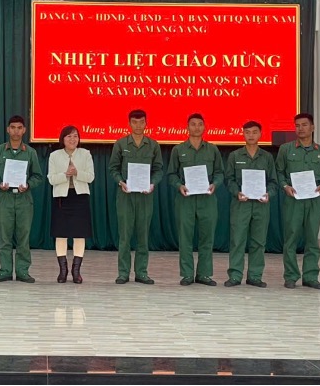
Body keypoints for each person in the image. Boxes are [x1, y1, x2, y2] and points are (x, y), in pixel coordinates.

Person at [276, 113, 320, 290]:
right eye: (297, 125)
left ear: (312, 127)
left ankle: (311, 276)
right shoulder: (286, 149)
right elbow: (279, 173)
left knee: (312, 239)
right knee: (291, 239)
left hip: (314, 200)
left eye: (304, 125)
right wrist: (285, 186)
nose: (300, 128)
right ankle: (291, 276)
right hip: (293, 199)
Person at [167, 113, 224, 286]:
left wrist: (215, 184)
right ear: (187, 127)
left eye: (200, 124)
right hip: (185, 199)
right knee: (185, 238)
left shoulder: (212, 149)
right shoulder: (178, 150)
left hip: (207, 199)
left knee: (207, 237)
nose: (197, 127)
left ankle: (204, 274)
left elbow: (219, 173)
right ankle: (187, 275)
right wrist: (179, 186)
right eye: (193, 124)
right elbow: (171, 174)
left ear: (204, 127)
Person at [108, 109, 164, 285]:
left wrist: (153, 183)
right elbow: (113, 168)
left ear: (146, 123)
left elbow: (158, 169)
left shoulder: (153, 145)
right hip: (125, 195)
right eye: (134, 122)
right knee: (124, 236)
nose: (138, 126)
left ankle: (141, 273)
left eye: (141, 122)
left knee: (143, 236)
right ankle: (123, 273)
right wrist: (120, 182)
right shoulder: (120, 144)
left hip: (145, 196)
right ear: (129, 123)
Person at [0, 115, 44, 283]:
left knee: (23, 238)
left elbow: (38, 176)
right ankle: (5, 271)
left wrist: (28, 184)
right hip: (4, 198)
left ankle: (22, 271)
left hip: (24, 199)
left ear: (24, 130)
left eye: (19, 128)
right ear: (8, 129)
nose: (16, 131)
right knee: (5, 238)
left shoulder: (30, 152)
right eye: (13, 127)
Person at [223, 121, 278, 288]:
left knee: (259, 242)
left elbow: (273, 181)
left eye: (254, 132)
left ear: (260, 134)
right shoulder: (235, 156)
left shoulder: (267, 157)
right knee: (237, 240)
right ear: (243, 134)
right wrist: (236, 192)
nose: (251, 135)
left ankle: (255, 276)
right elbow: (229, 179)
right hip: (241, 204)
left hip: (261, 205)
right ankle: (235, 275)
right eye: (247, 132)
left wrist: (269, 194)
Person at [47, 126, 95, 284]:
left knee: (79, 234)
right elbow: (51, 179)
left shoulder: (85, 154)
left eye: (75, 136)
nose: (72, 139)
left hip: (80, 197)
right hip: (61, 198)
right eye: (69, 136)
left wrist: (77, 173)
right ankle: (63, 271)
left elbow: (91, 177)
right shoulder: (54, 155)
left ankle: (76, 272)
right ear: (63, 139)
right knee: (60, 234)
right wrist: (65, 175)